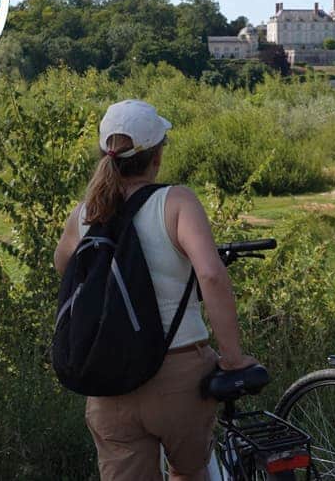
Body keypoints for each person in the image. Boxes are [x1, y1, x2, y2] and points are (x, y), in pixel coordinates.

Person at [54, 99, 255, 481]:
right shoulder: (176, 202)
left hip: (108, 378)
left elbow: (65, 268)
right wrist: (232, 358)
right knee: (190, 471)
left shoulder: (85, 214)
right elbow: (211, 276)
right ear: (156, 156)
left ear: (105, 153)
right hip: (180, 375)